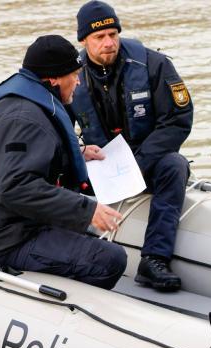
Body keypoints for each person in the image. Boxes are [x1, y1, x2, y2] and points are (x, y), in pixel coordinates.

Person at [0, 35, 127, 290]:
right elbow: (15, 186)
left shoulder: (22, 102)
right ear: (54, 79)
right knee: (109, 260)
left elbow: (17, 158)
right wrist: (86, 210)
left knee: (88, 236)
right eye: (74, 74)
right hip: (2, 238)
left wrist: (77, 153)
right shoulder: (24, 119)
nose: (78, 81)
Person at [69, 1, 193, 292]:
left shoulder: (154, 65)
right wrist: (77, 153)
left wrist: (138, 163)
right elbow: (54, 129)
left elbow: (177, 119)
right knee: (62, 170)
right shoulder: (72, 76)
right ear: (84, 40)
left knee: (176, 165)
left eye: (113, 34)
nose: (109, 43)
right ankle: (71, 250)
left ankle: (154, 259)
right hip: (99, 163)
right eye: (99, 37)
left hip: (146, 159)